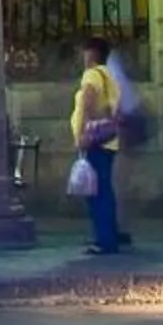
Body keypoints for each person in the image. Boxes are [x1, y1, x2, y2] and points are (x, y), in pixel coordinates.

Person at [69, 37, 125, 257]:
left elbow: (88, 102)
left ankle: (104, 240)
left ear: (92, 53)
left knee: (96, 192)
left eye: (84, 52)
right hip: (108, 141)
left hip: (95, 141)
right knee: (104, 189)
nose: (82, 56)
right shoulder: (110, 76)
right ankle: (110, 235)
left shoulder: (92, 74)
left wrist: (84, 132)